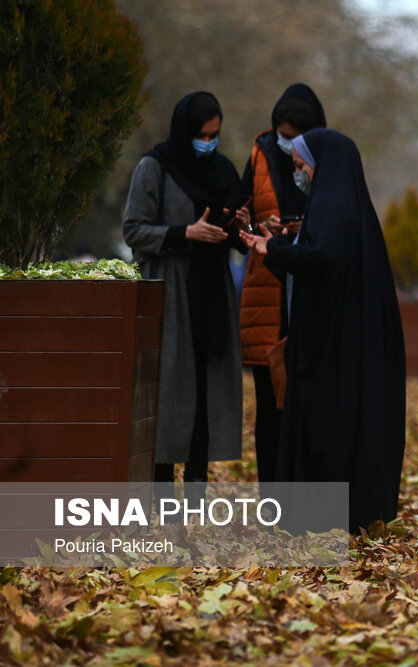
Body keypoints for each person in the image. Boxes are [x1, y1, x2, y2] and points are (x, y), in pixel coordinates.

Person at [240, 128, 406, 534]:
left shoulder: (329, 205)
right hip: (354, 344)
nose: (299, 174)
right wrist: (286, 243)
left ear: (323, 165)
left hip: (332, 347)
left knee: (325, 423)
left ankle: (319, 512)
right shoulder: (354, 208)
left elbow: (319, 259)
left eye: (301, 166)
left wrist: (273, 249)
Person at [122, 91, 249, 501]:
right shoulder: (154, 168)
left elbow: (237, 238)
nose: (208, 142)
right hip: (171, 293)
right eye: (202, 134)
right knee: (169, 389)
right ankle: (161, 490)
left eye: (215, 134)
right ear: (185, 131)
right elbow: (134, 230)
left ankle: (196, 487)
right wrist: (185, 233)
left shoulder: (224, 171)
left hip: (211, 295)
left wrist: (242, 225)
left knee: (205, 389)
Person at [239, 84, 326, 485]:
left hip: (309, 291)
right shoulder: (259, 154)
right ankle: (271, 495)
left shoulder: (325, 160)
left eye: (295, 137)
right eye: (282, 135)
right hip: (267, 293)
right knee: (269, 403)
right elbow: (238, 217)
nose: (287, 145)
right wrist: (261, 229)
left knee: (309, 401)